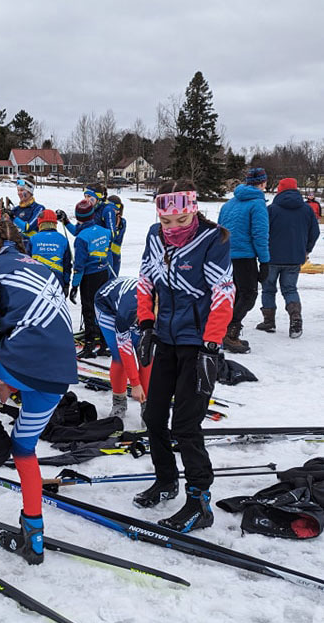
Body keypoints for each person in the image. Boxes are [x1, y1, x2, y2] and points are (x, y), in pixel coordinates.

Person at [0, 218, 77, 564]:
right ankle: (33, 535)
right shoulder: (45, 269)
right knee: (24, 448)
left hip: (22, 365)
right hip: (59, 375)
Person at [136, 179, 234, 533]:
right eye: (167, 222)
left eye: (181, 220)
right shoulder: (153, 236)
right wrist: (145, 324)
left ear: (193, 210)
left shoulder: (214, 240)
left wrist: (211, 346)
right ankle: (166, 480)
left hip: (197, 344)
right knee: (154, 415)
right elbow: (146, 280)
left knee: (186, 425)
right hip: (166, 338)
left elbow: (224, 292)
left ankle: (199, 500)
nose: (173, 228)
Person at [256, 178, 320, 338]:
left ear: (280, 190)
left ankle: (269, 322)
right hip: (294, 257)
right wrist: (306, 250)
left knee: (268, 289)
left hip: (271, 257)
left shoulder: (271, 210)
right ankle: (295, 318)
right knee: (290, 289)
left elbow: (262, 232)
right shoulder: (306, 210)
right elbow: (315, 232)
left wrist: (261, 251)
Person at [216, 167, 270, 353]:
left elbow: (219, 230)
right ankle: (230, 333)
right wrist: (265, 261)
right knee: (248, 295)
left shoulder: (228, 204)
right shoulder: (257, 204)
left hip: (226, 256)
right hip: (245, 256)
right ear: (263, 183)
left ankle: (222, 330)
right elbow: (260, 235)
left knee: (233, 295)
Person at [94, 276, 150, 423]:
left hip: (133, 304)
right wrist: (135, 384)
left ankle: (147, 406)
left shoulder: (167, 308)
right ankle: (119, 402)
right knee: (119, 357)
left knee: (146, 356)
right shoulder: (127, 312)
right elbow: (125, 349)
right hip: (107, 306)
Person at [69, 199, 112, 358]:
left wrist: (74, 286)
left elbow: (79, 266)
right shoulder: (104, 231)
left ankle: (89, 346)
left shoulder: (81, 238)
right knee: (102, 308)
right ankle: (104, 343)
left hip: (90, 276)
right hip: (103, 273)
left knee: (88, 309)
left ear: (78, 217)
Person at [29, 209, 71, 294]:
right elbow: (67, 264)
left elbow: (27, 261)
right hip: (57, 281)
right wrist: (66, 284)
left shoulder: (33, 239)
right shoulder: (62, 239)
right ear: (55, 224)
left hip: (37, 281)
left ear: (40, 223)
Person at [107, 195, 126, 277]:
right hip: (106, 254)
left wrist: (117, 226)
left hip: (115, 255)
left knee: (113, 277)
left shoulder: (122, 222)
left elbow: (115, 236)